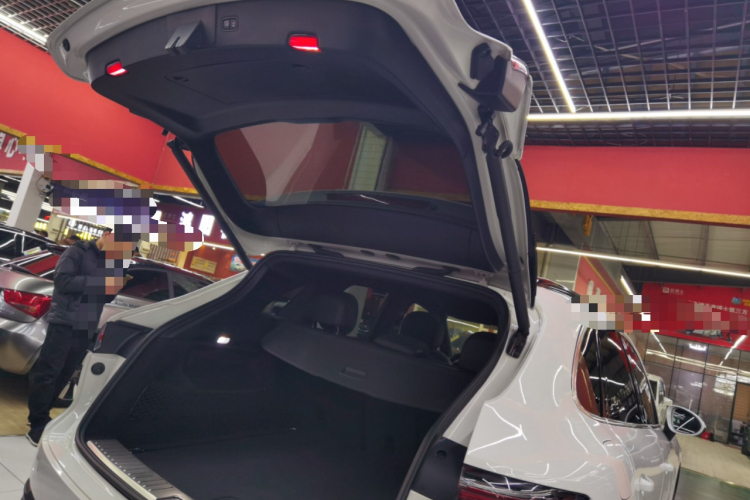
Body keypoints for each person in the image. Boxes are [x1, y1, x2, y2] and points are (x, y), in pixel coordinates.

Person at [26, 228, 131, 446]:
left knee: (66, 373)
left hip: (87, 323)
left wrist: (116, 285)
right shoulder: (77, 252)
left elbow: (106, 296)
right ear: (107, 234)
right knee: (48, 371)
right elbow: (63, 282)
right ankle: (36, 423)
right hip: (65, 320)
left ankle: (45, 416)